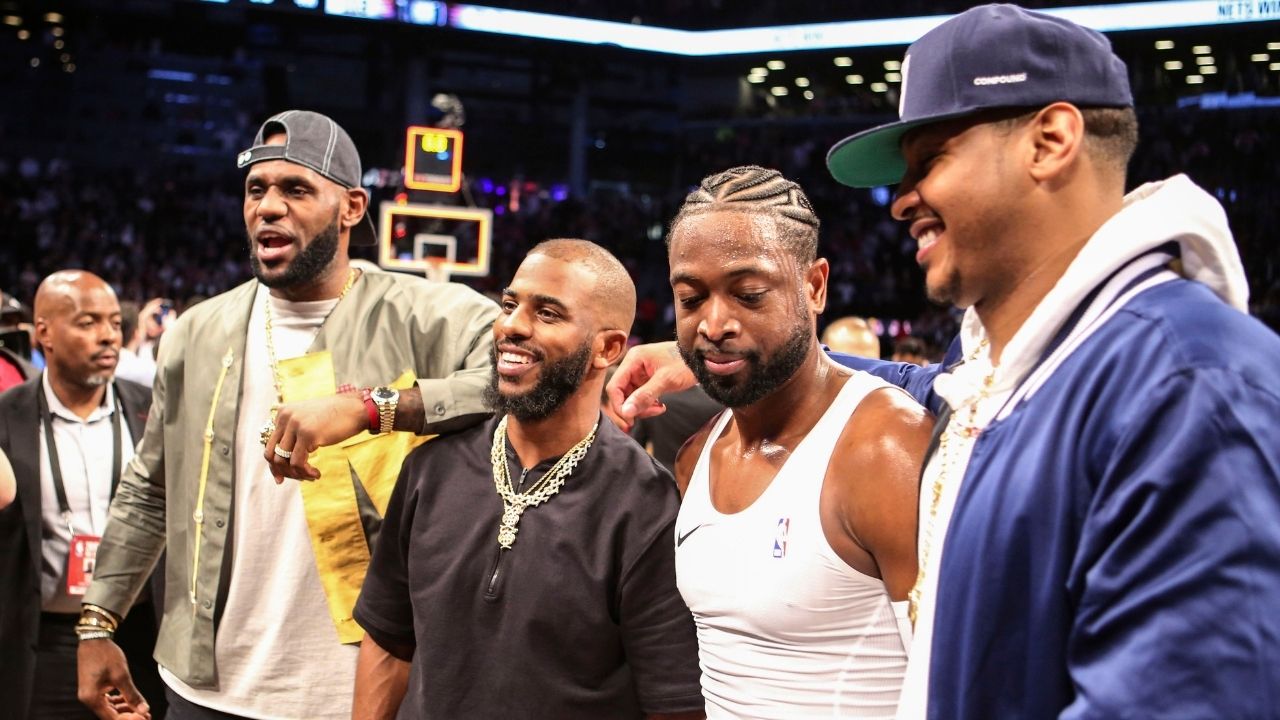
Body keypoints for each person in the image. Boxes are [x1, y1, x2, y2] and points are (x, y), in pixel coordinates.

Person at [612, 5, 1280, 718]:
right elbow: (938, 385)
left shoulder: (1189, 385)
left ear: (1050, 140)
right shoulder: (1017, 377)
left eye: (931, 161)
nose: (901, 202)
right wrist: (739, 351)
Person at [77, 110, 499, 720]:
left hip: (361, 689)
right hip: (203, 686)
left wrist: (375, 407)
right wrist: (98, 623)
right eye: (256, 189)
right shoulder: (196, 331)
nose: (267, 207)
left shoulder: (429, 315)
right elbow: (150, 490)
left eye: (295, 189)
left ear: (352, 207)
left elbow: (524, 379)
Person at [352, 240, 704, 720]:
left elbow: (671, 702)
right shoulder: (429, 470)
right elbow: (389, 642)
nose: (512, 325)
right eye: (510, 305)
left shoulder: (645, 503)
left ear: (608, 348)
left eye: (548, 314)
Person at [664, 167, 930, 719]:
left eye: (748, 294)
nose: (714, 323)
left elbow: (958, 683)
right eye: (691, 299)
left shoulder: (884, 449)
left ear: (814, 287)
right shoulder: (695, 457)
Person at [0, 271, 165, 720]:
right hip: (43, 640)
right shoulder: (7, 415)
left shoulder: (153, 408)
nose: (108, 336)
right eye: (88, 322)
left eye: (114, 322)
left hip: (140, 635)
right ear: (44, 333)